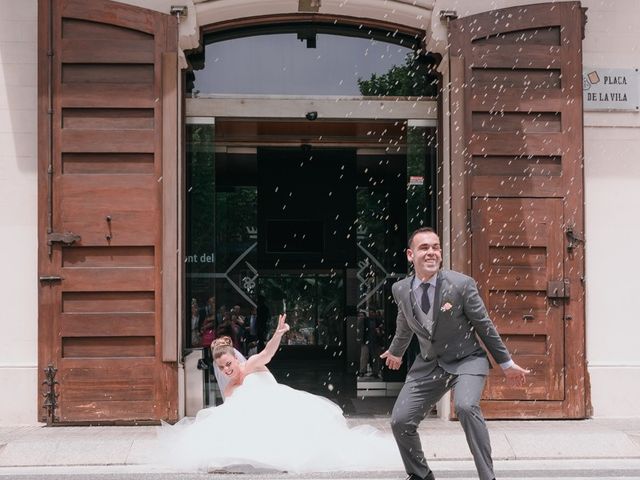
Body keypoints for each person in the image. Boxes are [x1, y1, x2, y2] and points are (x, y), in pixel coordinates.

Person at [157, 314, 402, 473]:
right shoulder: (231, 387)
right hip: (258, 422)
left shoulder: (251, 364)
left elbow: (267, 355)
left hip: (282, 408)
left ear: (235, 358)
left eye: (229, 364)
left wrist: (277, 334)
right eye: (222, 368)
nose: (227, 370)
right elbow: (234, 415)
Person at [380, 227, 529, 480]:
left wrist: (506, 362)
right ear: (410, 255)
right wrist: (396, 352)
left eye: (435, 247)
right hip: (428, 364)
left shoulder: (461, 285)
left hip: (467, 360)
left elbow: (484, 325)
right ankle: (420, 474)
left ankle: (487, 476)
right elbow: (404, 324)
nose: (431, 253)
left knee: (465, 406)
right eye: (424, 248)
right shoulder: (401, 289)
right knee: (401, 421)